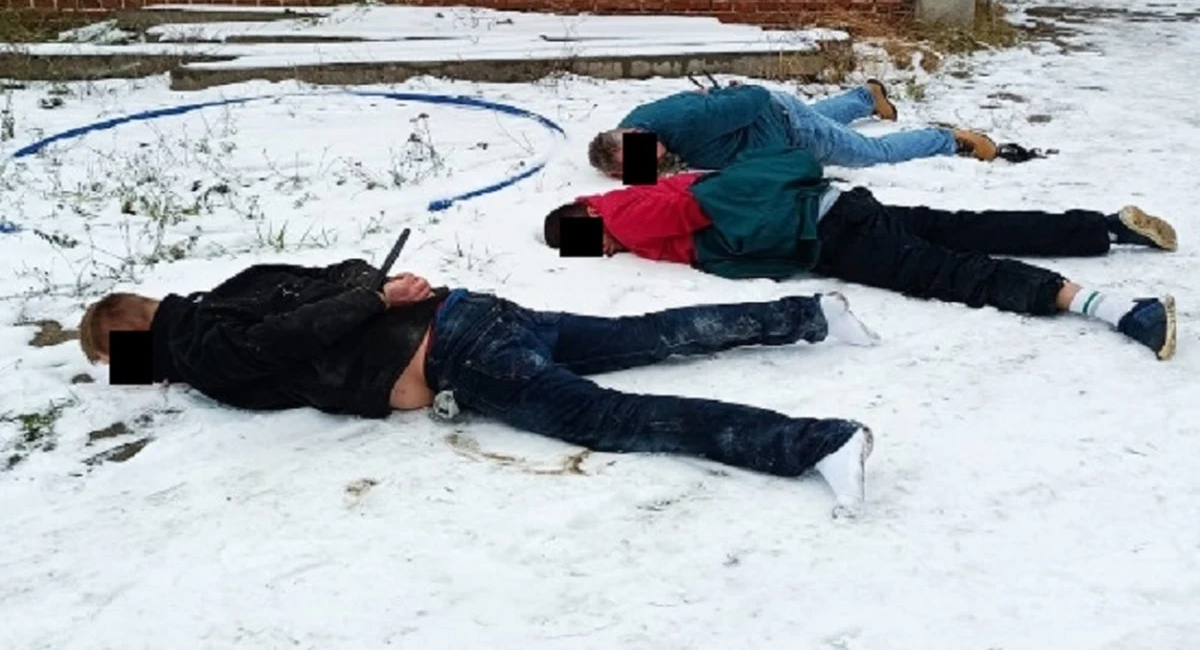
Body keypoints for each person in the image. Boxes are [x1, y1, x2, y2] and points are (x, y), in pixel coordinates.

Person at [78, 259, 885, 513]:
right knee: (644, 335)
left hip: (456, 351)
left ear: (137, 342)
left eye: (122, 361)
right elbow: (342, 272)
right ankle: (807, 312)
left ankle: (816, 443)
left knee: (610, 417)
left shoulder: (207, 347)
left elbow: (281, 340)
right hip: (464, 307)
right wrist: (379, 287)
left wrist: (370, 302)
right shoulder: (233, 286)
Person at [544, 147, 1179, 360]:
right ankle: (1105, 228)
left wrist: (628, 236)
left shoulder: (622, 211)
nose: (598, 252)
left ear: (585, 217)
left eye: (586, 242)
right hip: (836, 206)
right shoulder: (643, 196)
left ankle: (1117, 308)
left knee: (946, 272)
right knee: (968, 228)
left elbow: (690, 211)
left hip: (827, 236)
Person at [587, 80, 998, 179]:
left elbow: (756, 99)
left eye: (644, 153)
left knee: (872, 155)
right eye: (633, 167)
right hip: (777, 125)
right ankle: (866, 97)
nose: (650, 161)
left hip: (787, 126)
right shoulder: (631, 133)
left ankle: (950, 139)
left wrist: (735, 99)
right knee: (824, 115)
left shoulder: (688, 123)